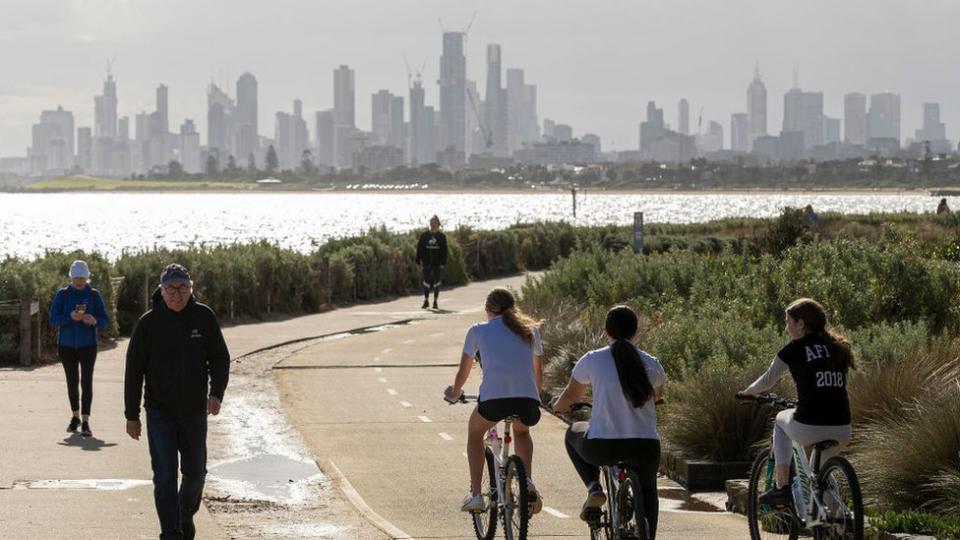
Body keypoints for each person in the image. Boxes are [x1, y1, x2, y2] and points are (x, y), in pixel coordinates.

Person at [124, 264, 230, 540]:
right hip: (159, 412)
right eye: (171, 288)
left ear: (190, 289)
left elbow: (220, 358)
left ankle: (183, 515)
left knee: (196, 473)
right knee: (165, 475)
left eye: (182, 288)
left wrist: (216, 393)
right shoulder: (148, 324)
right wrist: (131, 414)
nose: (176, 294)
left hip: (194, 411)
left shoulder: (203, 317)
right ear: (161, 290)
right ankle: (171, 532)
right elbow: (134, 371)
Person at [552, 305, 665, 536]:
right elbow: (657, 396)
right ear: (636, 331)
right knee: (648, 490)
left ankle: (594, 487)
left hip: (603, 447)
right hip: (645, 446)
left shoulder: (592, 360)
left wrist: (558, 407)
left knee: (572, 432)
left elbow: (571, 396)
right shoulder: (652, 363)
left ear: (607, 331)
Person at [739, 297, 854, 507]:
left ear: (801, 324)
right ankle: (841, 518)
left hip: (810, 425)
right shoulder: (837, 348)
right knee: (819, 474)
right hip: (843, 428)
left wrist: (748, 392)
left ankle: (781, 487)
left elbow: (767, 380)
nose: (786, 327)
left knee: (780, 421)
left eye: (788, 322)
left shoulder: (794, 348)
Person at [444, 288, 544, 514]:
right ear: (513, 308)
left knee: (474, 432)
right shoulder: (530, 330)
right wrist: (535, 397)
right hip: (526, 400)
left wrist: (455, 391)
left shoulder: (478, 330)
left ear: (488, 310)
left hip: (494, 401)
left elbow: (464, 371)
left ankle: (477, 496)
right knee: (522, 432)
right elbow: (538, 371)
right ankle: (526, 481)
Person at [48, 259, 109, 438]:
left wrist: (94, 320)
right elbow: (53, 319)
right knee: (72, 382)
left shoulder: (94, 295)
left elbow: (105, 320)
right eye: (76, 278)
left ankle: (86, 421)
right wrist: (70, 317)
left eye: (82, 278)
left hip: (88, 345)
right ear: (71, 277)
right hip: (66, 345)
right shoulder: (63, 294)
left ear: (87, 277)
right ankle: (74, 416)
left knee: (87, 382)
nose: (79, 281)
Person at [416, 215, 448, 309]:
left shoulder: (441, 236)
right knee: (426, 282)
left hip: (437, 263)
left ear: (438, 224)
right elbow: (419, 248)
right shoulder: (424, 235)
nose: (433, 225)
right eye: (431, 223)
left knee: (436, 283)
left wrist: (443, 263)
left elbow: (444, 250)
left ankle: (435, 301)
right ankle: (426, 300)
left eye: (434, 223)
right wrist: (418, 259)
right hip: (426, 262)